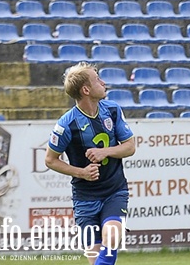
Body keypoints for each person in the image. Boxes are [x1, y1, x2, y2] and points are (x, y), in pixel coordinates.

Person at [45, 62, 135, 265]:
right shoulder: (66, 124)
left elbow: (130, 147)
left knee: (112, 236)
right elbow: (50, 160)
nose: (103, 83)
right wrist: (81, 172)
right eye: (97, 80)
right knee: (95, 261)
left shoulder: (112, 110)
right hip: (85, 198)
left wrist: (106, 151)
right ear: (86, 90)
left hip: (114, 190)